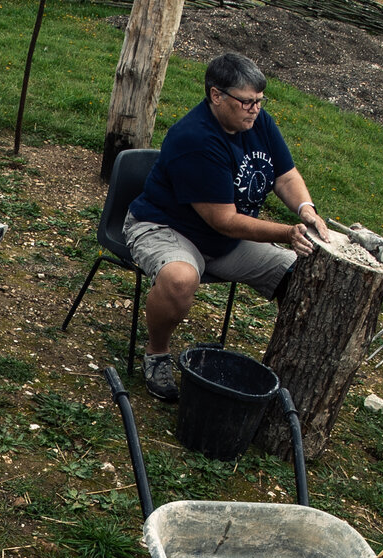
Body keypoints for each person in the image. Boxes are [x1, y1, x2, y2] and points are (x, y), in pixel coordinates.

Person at [123, 51, 324, 402]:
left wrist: (305, 210)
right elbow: (225, 221)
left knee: (302, 275)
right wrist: (286, 233)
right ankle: (156, 354)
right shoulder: (196, 138)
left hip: (223, 242)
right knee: (180, 278)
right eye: (247, 102)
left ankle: (289, 371)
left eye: (260, 101)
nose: (255, 109)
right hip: (167, 228)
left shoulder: (258, 123)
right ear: (216, 95)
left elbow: (286, 175)